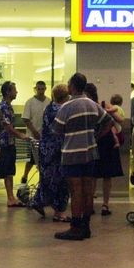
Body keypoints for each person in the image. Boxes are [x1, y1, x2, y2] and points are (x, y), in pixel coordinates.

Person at [51, 73, 112, 240]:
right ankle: (86, 226)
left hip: (72, 154)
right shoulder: (92, 105)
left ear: (72, 86)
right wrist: (95, 137)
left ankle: (75, 226)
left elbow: (55, 130)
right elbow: (108, 121)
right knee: (87, 191)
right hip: (90, 152)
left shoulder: (67, 107)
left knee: (75, 191)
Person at [28, 83, 70, 222]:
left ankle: (38, 201)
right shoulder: (63, 111)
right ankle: (59, 211)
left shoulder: (49, 108)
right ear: (66, 96)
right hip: (58, 150)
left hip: (46, 149)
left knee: (47, 178)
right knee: (61, 181)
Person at [85, 84, 125, 217]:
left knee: (103, 175)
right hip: (101, 141)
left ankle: (104, 204)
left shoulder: (103, 104)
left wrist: (109, 111)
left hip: (103, 142)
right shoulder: (91, 106)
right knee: (93, 175)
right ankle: (95, 204)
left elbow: (120, 119)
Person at [20, 80, 51, 185]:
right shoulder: (30, 102)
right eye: (39, 89)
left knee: (43, 159)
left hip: (45, 136)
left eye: (42, 89)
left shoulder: (49, 102)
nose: (41, 91)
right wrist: (34, 131)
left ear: (45, 89)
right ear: (35, 89)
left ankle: (42, 178)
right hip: (32, 136)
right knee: (31, 159)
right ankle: (25, 175)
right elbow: (26, 119)